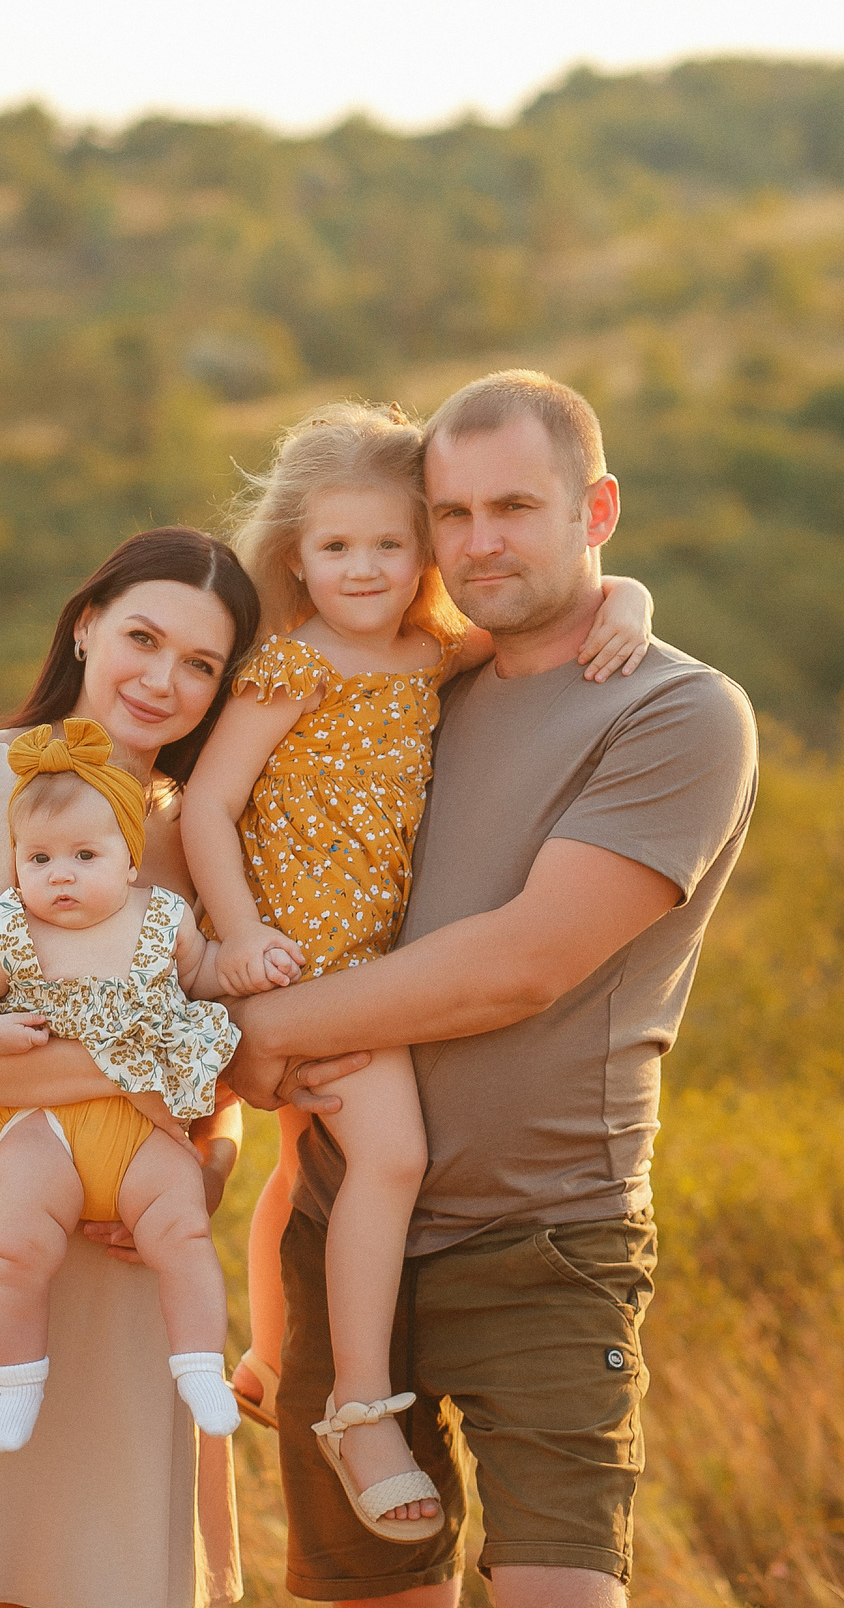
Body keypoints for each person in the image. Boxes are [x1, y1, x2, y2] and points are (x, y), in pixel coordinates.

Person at [224, 372, 759, 1608]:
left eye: (514, 506)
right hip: (341, 1226)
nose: (477, 544)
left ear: (598, 508)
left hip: (546, 1241)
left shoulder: (675, 711)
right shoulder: (415, 682)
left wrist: (252, 1038)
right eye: (450, 514)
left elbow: (519, 965)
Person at [0, 527, 364, 1608]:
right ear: (85, 625)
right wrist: (123, 1069)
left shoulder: (193, 840)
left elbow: (211, 1081)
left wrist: (213, 1166)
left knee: (107, 1576)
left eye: (200, 665)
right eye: (142, 636)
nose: (162, 680)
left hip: (131, 1256)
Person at [180, 401, 653, 1543]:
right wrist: (240, 945)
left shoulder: (430, 653)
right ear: (297, 556)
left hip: (360, 960)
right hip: (291, 956)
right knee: (387, 1154)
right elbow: (208, 802)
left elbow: (552, 617)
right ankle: (356, 1404)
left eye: (393, 545)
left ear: (425, 556)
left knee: (307, 1163)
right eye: (337, 548)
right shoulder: (287, 666)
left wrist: (629, 595)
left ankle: (271, 1349)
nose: (365, 568)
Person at [0, 719, 244, 1452]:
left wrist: (240, 970)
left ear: (130, 860)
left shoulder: (162, 919)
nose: (60, 874)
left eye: (83, 854)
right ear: (16, 865)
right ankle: (19, 1380)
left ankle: (200, 1363)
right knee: (13, 1248)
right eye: (38, 857)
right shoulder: (14, 930)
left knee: (184, 1232)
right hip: (48, 1125)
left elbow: (204, 981)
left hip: (147, 1131)